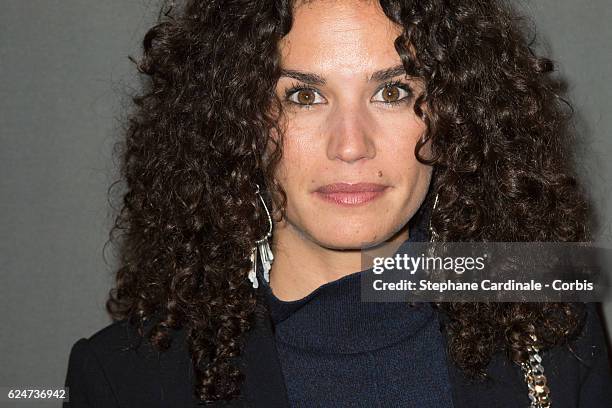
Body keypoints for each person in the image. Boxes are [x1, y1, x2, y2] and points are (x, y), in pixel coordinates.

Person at [62, 0, 612, 407]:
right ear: (235, 124)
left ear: (457, 116)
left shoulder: (548, 316)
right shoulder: (124, 379)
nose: (350, 144)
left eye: (392, 92)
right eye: (304, 96)